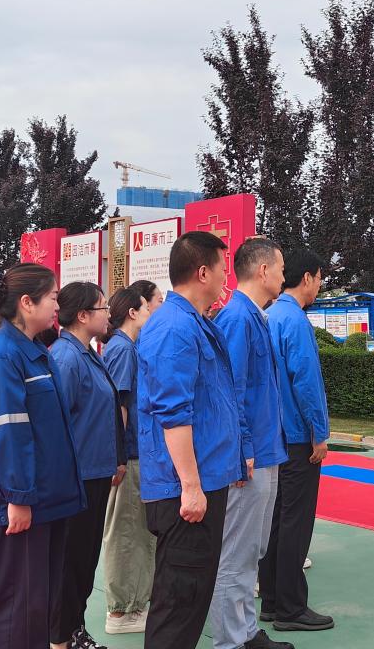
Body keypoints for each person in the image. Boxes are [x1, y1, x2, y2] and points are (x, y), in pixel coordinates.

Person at [138, 231, 246, 649]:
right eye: (222, 270)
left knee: (192, 596)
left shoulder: (194, 322)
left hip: (203, 480)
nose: (225, 279)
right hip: (183, 490)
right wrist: (191, 486)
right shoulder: (174, 327)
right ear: (203, 272)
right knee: (178, 601)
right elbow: (173, 414)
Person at [0, 264, 85, 649]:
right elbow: (6, 433)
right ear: (26, 302)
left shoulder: (33, 351)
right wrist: (17, 498)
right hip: (22, 506)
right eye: (53, 297)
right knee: (17, 610)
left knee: (36, 607)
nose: (58, 306)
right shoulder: (3, 357)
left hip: (44, 502)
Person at [209, 238, 290, 649]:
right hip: (249, 457)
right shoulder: (237, 319)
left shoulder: (254, 317)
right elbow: (231, 393)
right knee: (235, 554)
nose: (283, 277)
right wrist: (243, 449)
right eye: (281, 268)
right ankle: (230, 640)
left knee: (252, 550)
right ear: (262, 270)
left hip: (265, 451)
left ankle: (247, 631)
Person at [259, 249, 333, 632]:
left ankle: (272, 601)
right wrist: (319, 433)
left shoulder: (269, 316)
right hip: (298, 436)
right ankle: (291, 608)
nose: (319, 286)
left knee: (276, 519)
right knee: (296, 522)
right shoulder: (295, 321)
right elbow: (306, 382)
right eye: (319, 279)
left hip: (275, 435)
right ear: (308, 278)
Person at [50, 282, 127, 649]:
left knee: (83, 562)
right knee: (71, 564)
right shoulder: (66, 359)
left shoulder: (87, 354)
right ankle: (62, 638)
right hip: (76, 479)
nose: (108, 313)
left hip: (94, 474)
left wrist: (116, 459)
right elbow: (54, 425)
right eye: (102, 308)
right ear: (82, 316)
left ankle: (73, 631)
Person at [101, 287, 154, 635]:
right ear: (133, 312)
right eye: (147, 306)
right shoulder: (122, 349)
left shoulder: (126, 347)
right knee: (127, 533)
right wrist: (118, 457)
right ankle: (123, 612)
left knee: (135, 531)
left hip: (134, 454)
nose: (151, 312)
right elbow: (118, 406)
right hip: (129, 456)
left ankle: (131, 605)